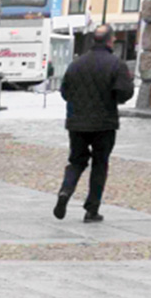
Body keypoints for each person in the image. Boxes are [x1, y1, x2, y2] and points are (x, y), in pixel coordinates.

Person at [55, 23, 136, 224]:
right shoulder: (117, 64)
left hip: (77, 123)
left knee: (76, 160)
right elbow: (124, 94)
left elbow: (65, 91)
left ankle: (66, 191)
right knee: (100, 164)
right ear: (111, 40)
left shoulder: (76, 64)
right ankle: (92, 209)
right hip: (104, 123)